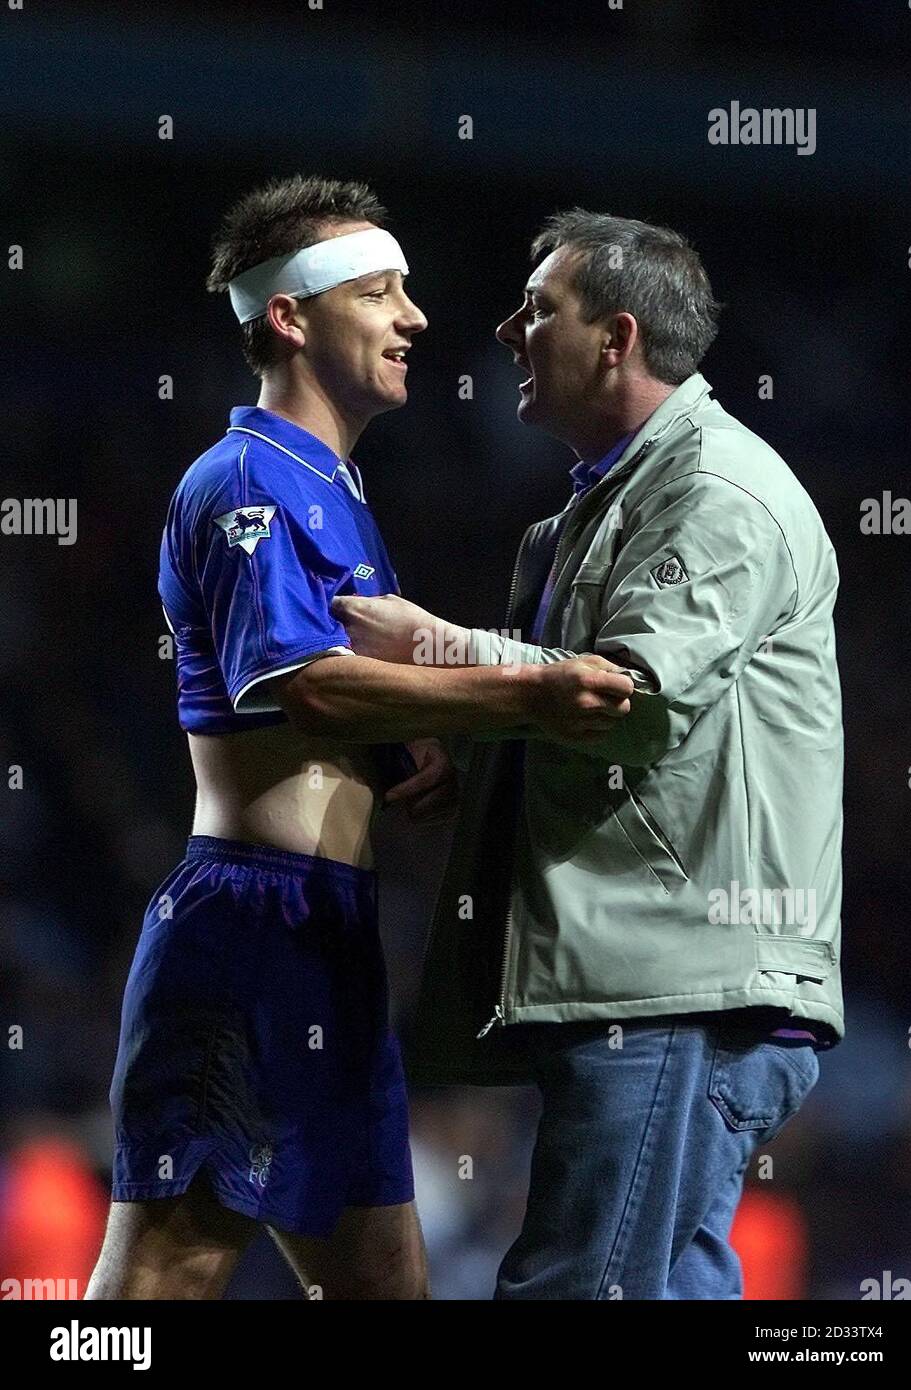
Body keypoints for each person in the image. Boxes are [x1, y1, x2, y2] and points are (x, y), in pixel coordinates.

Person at [86, 179, 636, 1301]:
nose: (416, 316)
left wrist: (404, 754)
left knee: (389, 1288)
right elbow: (308, 690)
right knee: (162, 1277)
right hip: (244, 929)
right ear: (289, 317)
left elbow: (348, 693)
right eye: (380, 290)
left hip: (331, 936)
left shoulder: (336, 491)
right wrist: (523, 694)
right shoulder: (244, 479)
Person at [335, 210, 844, 1300]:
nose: (508, 331)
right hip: (668, 983)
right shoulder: (616, 500)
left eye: (538, 309)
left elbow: (631, 700)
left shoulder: (714, 491)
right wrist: (475, 767)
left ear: (615, 338)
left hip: (681, 988)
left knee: (580, 1287)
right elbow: (631, 721)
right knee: (657, 1283)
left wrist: (427, 644)